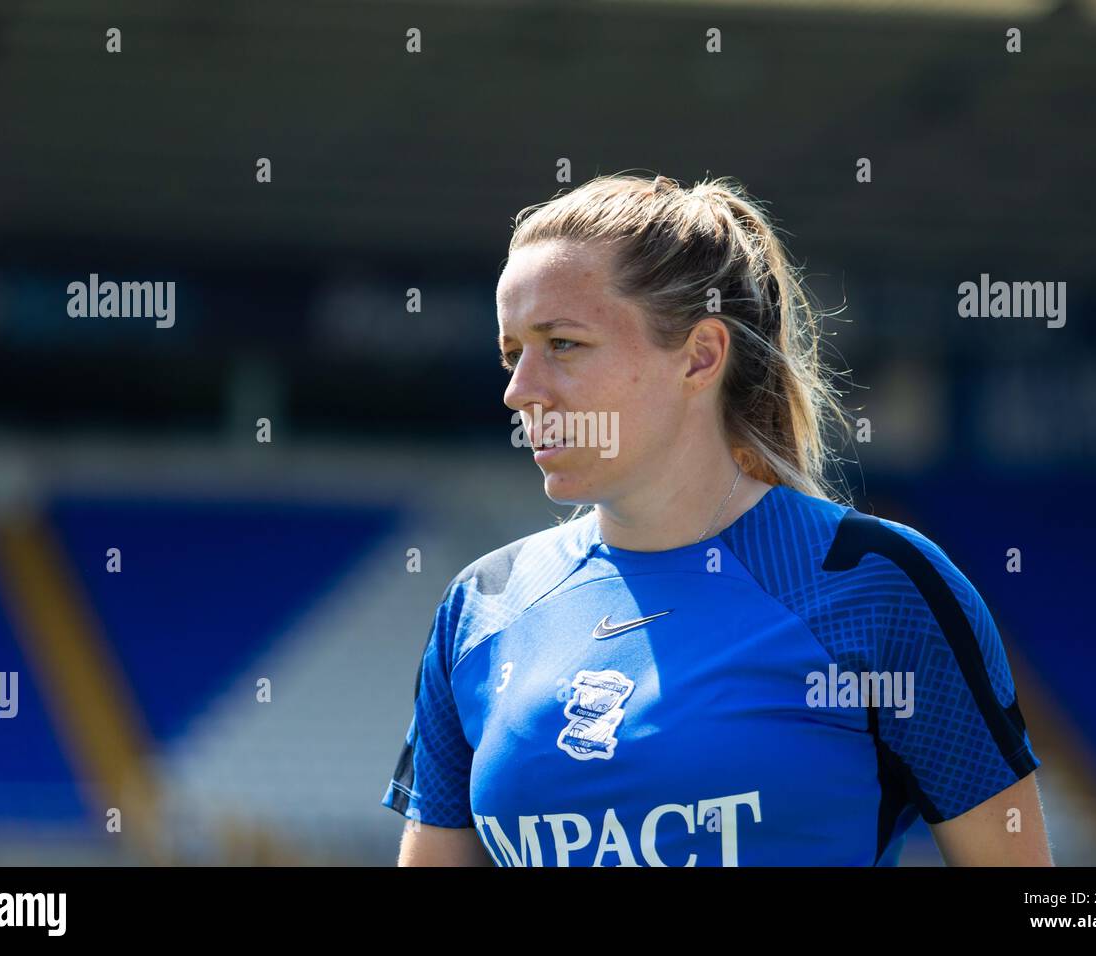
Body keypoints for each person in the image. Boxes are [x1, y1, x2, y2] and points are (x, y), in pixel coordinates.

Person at [380, 173, 1052, 866]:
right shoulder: (482, 607)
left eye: (562, 344)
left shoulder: (874, 587)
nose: (520, 391)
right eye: (512, 353)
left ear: (700, 356)